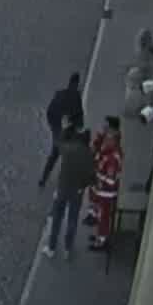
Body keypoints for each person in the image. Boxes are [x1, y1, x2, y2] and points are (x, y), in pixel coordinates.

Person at [45, 128, 96, 258]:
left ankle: (51, 247)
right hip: (77, 191)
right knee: (72, 219)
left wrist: (66, 129)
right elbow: (91, 176)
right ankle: (68, 248)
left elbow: (58, 142)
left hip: (63, 189)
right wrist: (83, 185)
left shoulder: (68, 149)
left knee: (57, 218)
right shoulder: (89, 154)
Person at [40, 73, 85, 185]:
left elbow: (49, 113)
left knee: (53, 156)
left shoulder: (59, 94)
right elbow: (80, 122)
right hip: (68, 135)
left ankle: (43, 178)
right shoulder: (76, 97)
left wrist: (55, 129)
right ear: (77, 84)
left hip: (57, 133)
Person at [88, 116, 124, 250]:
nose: (106, 140)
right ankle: (99, 236)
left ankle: (102, 241)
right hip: (101, 190)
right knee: (100, 214)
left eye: (109, 138)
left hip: (107, 193)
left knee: (104, 218)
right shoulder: (108, 151)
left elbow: (111, 179)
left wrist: (99, 175)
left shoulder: (113, 158)